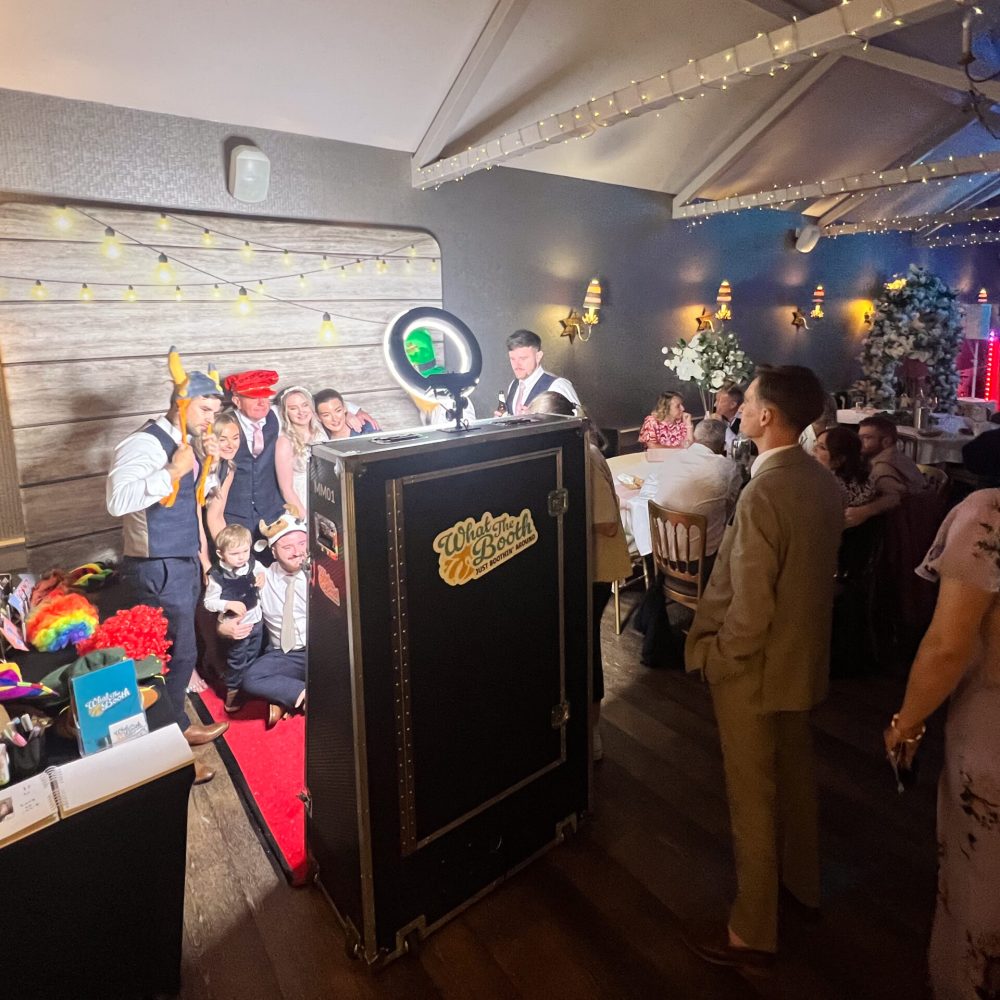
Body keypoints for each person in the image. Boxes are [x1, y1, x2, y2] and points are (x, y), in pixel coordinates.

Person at [683, 365, 843, 970]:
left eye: (747, 402)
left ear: (768, 416)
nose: (740, 409)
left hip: (755, 667)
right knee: (797, 783)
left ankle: (752, 929)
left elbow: (749, 605)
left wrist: (720, 659)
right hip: (803, 661)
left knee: (752, 797)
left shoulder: (765, 489)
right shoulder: (821, 481)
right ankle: (802, 889)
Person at [884, 489, 1000, 999]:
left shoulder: (990, 514)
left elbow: (947, 646)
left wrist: (904, 725)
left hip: (993, 732)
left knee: (982, 891)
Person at [106, 364, 230, 781]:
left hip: (181, 560)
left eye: (215, 411)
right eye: (205, 409)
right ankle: (166, 762)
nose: (210, 418)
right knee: (161, 660)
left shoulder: (186, 443)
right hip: (154, 565)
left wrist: (209, 461)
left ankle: (176, 727)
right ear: (181, 403)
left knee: (183, 653)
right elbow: (118, 499)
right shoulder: (142, 444)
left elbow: (189, 502)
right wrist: (174, 470)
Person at [527, 391, 630, 762]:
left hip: (596, 570)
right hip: (583, 569)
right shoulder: (575, 453)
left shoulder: (583, 457)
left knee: (585, 650)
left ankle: (593, 731)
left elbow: (602, 523)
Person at [631, 418, 742, 668]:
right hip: (700, 565)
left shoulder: (673, 460)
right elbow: (732, 508)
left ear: (694, 439)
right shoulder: (727, 467)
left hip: (664, 560)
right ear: (722, 445)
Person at [218, 513, 308, 729]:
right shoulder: (262, 579)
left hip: (323, 650)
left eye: (302, 544)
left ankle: (283, 700)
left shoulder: (319, 572)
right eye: (287, 547)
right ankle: (301, 694)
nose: (297, 552)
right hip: (286, 655)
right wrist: (223, 627)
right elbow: (230, 611)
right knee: (251, 679)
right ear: (273, 551)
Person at [203, 523, 265, 714]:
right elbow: (209, 602)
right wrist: (227, 604)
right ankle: (233, 692)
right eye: (235, 554)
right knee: (237, 659)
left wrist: (262, 575)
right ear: (221, 554)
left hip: (256, 620)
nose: (241, 557)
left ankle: (251, 685)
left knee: (254, 655)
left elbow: (261, 570)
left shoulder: (251, 563)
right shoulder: (217, 575)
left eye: (245, 551)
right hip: (236, 626)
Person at [846, 414, 926, 528]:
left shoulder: (883, 467)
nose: (860, 442)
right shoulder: (895, 455)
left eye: (867, 438)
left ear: (886, 441)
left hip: (909, 525)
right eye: (860, 437)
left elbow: (893, 499)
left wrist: (862, 512)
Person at [275, 386, 327, 519]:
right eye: (293, 408)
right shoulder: (284, 442)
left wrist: (355, 412)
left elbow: (341, 407)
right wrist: (305, 518)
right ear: (285, 413)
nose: (301, 412)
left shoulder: (320, 429)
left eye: (305, 405)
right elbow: (286, 489)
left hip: (326, 494)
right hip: (302, 499)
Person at [501, 329, 580, 415]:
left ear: (538, 356)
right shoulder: (513, 385)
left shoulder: (558, 386)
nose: (516, 364)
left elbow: (578, 422)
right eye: (512, 359)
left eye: (523, 358)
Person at [813, 426, 876, 508]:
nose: (813, 450)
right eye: (815, 443)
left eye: (822, 447)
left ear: (839, 459)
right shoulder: (863, 477)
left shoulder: (831, 487)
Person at [204, 408, 242, 542]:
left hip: (210, 534)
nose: (231, 445)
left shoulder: (228, 468)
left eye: (235, 438)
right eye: (223, 439)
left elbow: (216, 515)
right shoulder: (198, 465)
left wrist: (227, 549)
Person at [714, 383, 743, 453]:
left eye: (719, 401)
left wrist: (723, 427)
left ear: (733, 404)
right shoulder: (721, 417)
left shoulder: (744, 421)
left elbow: (739, 450)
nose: (715, 405)